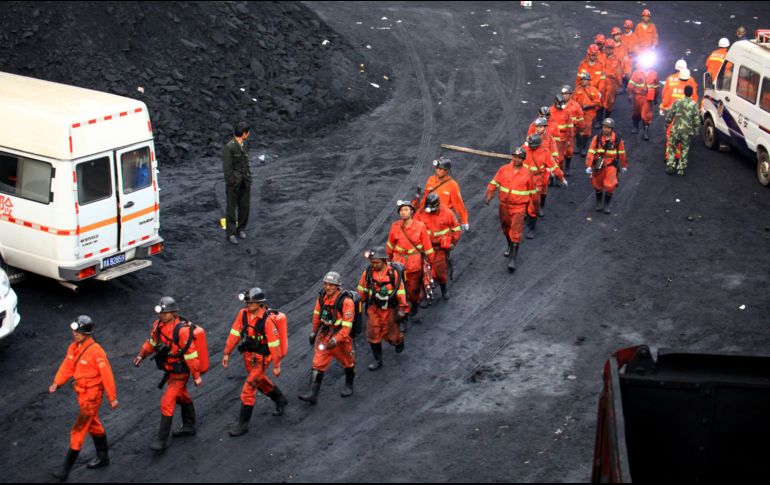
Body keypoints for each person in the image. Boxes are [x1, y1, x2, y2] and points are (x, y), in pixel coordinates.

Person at [50, 316, 118, 481]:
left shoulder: (97, 352)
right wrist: (57, 382)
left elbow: (106, 375)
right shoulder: (73, 348)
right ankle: (103, 457)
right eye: (74, 331)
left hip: (92, 396)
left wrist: (112, 397)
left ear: (87, 333)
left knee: (78, 430)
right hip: (81, 394)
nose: (75, 334)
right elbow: (67, 366)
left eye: (78, 332)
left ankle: (64, 470)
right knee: (93, 424)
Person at [133, 297, 202, 453]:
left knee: (167, 401)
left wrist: (196, 375)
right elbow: (152, 342)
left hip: (180, 372)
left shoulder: (182, 330)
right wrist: (141, 355)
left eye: (166, 313)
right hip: (170, 370)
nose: (162, 316)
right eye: (161, 313)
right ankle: (189, 426)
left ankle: (161, 440)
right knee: (182, 396)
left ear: (173, 313)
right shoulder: (157, 326)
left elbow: (191, 355)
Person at [223, 288, 288, 435]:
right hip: (248, 356)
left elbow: (274, 345)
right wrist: (227, 352)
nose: (248, 305)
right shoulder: (242, 314)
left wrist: (276, 365)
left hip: (261, 359)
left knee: (248, 390)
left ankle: (243, 425)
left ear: (260, 303)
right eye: (247, 302)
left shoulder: (268, 320)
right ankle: (280, 400)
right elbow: (234, 333)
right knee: (260, 382)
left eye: (251, 303)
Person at [299, 272, 356, 404]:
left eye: (331, 285)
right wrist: (313, 332)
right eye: (326, 284)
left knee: (348, 362)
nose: (328, 287)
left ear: (337, 286)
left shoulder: (346, 302)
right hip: (325, 335)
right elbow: (317, 316)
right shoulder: (321, 298)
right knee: (318, 362)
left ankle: (349, 385)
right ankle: (313, 394)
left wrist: (336, 339)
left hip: (341, 339)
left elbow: (347, 327)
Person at [357, 247, 410, 370]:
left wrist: (402, 309)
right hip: (374, 309)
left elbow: (401, 291)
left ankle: (399, 341)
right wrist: (358, 305)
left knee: (393, 335)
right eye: (372, 263)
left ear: (384, 261)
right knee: (372, 334)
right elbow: (361, 291)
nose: (374, 265)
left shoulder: (393, 274)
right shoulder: (367, 273)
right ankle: (378, 360)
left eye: (377, 263)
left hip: (390, 310)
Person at [485, 147, 537, 272]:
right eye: (515, 157)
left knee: (515, 232)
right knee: (505, 228)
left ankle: (513, 258)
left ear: (523, 159)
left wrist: (531, 208)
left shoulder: (527, 173)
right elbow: (494, 183)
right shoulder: (503, 169)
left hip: (519, 208)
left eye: (519, 158)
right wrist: (489, 196)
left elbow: (532, 193)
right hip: (504, 206)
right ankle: (510, 246)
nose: (516, 159)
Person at [386, 199, 434, 316]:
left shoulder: (420, 226)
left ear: (412, 212)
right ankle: (401, 307)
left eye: (406, 210)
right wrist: (388, 261)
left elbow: (427, 246)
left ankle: (414, 304)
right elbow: (390, 245)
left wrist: (430, 262)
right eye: (401, 210)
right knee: (397, 287)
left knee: (413, 289)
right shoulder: (395, 226)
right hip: (398, 262)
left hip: (414, 263)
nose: (403, 212)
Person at [414, 193, 462, 300]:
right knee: (421, 270)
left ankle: (444, 288)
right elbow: (414, 228)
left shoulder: (447, 213)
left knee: (440, 270)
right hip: (424, 248)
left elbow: (456, 229)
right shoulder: (420, 213)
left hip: (439, 248)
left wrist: (453, 243)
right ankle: (423, 289)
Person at [525, 133, 567, 230]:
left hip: (537, 180)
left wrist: (561, 178)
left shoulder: (545, 153)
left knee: (534, 201)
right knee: (523, 199)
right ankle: (528, 214)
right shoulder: (525, 149)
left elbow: (554, 167)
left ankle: (532, 220)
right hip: (525, 178)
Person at [585, 118, 628, 214]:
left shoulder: (617, 139)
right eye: (605, 127)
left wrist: (624, 165)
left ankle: (607, 204)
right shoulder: (597, 138)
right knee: (597, 184)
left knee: (610, 185)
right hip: (599, 163)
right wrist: (588, 165)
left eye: (608, 128)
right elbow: (591, 152)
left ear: (612, 129)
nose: (606, 129)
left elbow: (621, 153)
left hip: (611, 164)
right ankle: (599, 203)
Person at [419, 157, 469, 231]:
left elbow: (458, 204)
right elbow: (425, 197)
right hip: (429, 215)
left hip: (443, 219)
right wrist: (419, 212)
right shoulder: (430, 179)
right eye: (437, 168)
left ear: (446, 171)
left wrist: (464, 220)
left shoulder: (452, 185)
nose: (437, 170)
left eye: (440, 169)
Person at [222, 121, 252, 245]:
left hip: (245, 182)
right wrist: (232, 181)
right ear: (244, 133)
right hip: (234, 184)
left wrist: (249, 176)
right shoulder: (229, 147)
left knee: (245, 207)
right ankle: (231, 233)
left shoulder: (244, 145)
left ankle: (241, 229)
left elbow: (246, 162)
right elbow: (227, 168)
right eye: (248, 132)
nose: (249, 134)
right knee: (231, 209)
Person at [665, 86, 701, 176]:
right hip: (687, 132)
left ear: (684, 92)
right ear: (691, 93)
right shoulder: (694, 104)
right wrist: (696, 131)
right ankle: (681, 169)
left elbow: (670, 115)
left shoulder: (677, 102)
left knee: (672, 148)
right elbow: (697, 120)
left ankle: (670, 166)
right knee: (684, 149)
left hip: (675, 130)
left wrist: (667, 123)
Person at [628, 54, 659, 140]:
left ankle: (645, 132)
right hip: (637, 97)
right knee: (636, 113)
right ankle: (635, 127)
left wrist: (655, 98)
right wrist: (630, 94)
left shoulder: (654, 74)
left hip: (648, 98)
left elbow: (656, 88)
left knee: (646, 116)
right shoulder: (636, 73)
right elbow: (631, 85)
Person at [573, 73, 603, 155]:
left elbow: (597, 102)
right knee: (577, 130)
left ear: (589, 81)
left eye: (585, 79)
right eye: (582, 79)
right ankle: (578, 146)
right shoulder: (577, 90)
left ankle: (584, 148)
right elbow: (573, 101)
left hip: (588, 113)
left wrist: (588, 106)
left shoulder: (593, 90)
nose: (583, 81)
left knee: (586, 131)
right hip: (578, 113)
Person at [561, 84, 584, 174]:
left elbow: (580, 118)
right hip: (559, 133)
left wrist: (581, 129)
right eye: (563, 94)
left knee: (569, 150)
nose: (564, 95)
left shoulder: (576, 106)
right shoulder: (558, 105)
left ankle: (567, 167)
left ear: (570, 95)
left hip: (571, 132)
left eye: (566, 94)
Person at [600, 39, 624, 120]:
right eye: (607, 47)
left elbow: (619, 74)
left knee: (609, 103)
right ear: (605, 48)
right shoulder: (600, 57)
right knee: (599, 101)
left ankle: (606, 119)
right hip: (600, 83)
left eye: (611, 48)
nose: (609, 49)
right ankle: (599, 121)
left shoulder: (616, 61)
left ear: (613, 49)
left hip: (611, 85)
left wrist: (619, 86)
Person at [550, 94, 574, 173]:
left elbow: (570, 125)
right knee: (552, 156)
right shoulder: (549, 111)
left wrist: (570, 139)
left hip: (563, 138)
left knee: (568, 152)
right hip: (551, 138)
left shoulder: (566, 112)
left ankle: (566, 168)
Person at [611, 27, 633, 92]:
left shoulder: (624, 46)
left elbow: (626, 60)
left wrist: (627, 72)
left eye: (619, 34)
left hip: (622, 71)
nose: (618, 36)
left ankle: (624, 85)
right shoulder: (609, 46)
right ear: (613, 35)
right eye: (616, 35)